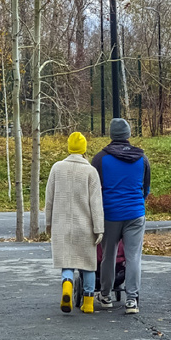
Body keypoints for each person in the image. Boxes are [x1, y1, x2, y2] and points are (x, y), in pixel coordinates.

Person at [92, 118, 150, 314]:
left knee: (108, 255)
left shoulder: (100, 159)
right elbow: (146, 189)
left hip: (110, 214)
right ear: (128, 134)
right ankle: (132, 300)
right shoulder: (142, 158)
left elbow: (94, 189)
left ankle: (106, 295)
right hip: (135, 213)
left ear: (111, 135)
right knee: (133, 256)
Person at [45, 132, 104, 314]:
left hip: (61, 225)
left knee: (67, 262)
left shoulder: (57, 168)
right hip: (84, 225)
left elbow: (49, 198)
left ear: (69, 147)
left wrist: (48, 223)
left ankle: (67, 287)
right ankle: (88, 303)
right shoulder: (90, 172)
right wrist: (99, 228)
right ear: (84, 149)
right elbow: (96, 203)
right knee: (88, 264)